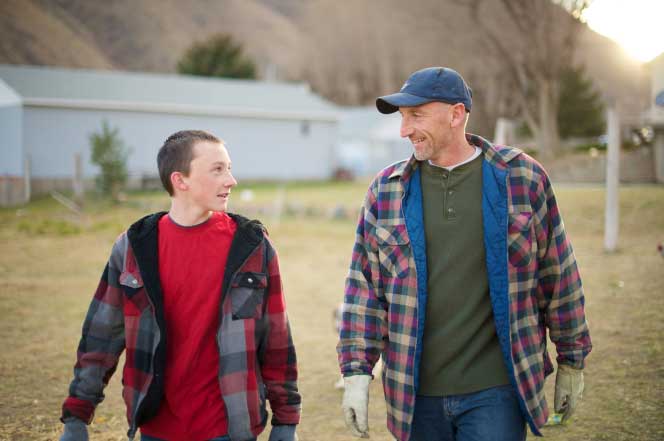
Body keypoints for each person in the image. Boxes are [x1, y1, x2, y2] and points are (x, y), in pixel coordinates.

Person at [337, 67, 591, 441]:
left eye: (416, 115)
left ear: (456, 115)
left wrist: (571, 360)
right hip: (414, 392)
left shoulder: (522, 177)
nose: (404, 130)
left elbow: (558, 274)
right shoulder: (386, 190)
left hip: (497, 390)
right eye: (403, 117)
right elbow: (364, 290)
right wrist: (356, 372)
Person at [59, 130, 300, 441]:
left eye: (229, 168)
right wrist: (77, 415)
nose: (231, 180)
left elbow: (276, 338)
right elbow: (101, 337)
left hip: (229, 429)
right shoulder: (134, 247)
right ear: (180, 180)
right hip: (157, 428)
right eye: (218, 169)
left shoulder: (252, 246)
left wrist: (286, 421)